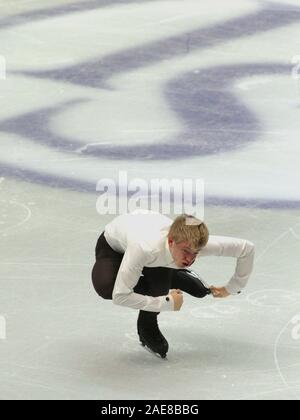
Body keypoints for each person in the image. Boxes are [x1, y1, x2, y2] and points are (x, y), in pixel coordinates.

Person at [91, 210, 255, 358]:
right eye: (186, 251)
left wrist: (232, 288)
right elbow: (120, 296)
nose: (190, 259)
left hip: (156, 252)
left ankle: (147, 324)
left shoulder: (193, 242)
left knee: (159, 287)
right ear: (171, 241)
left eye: (196, 253)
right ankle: (174, 277)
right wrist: (166, 303)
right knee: (107, 287)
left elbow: (246, 249)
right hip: (114, 247)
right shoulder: (145, 248)